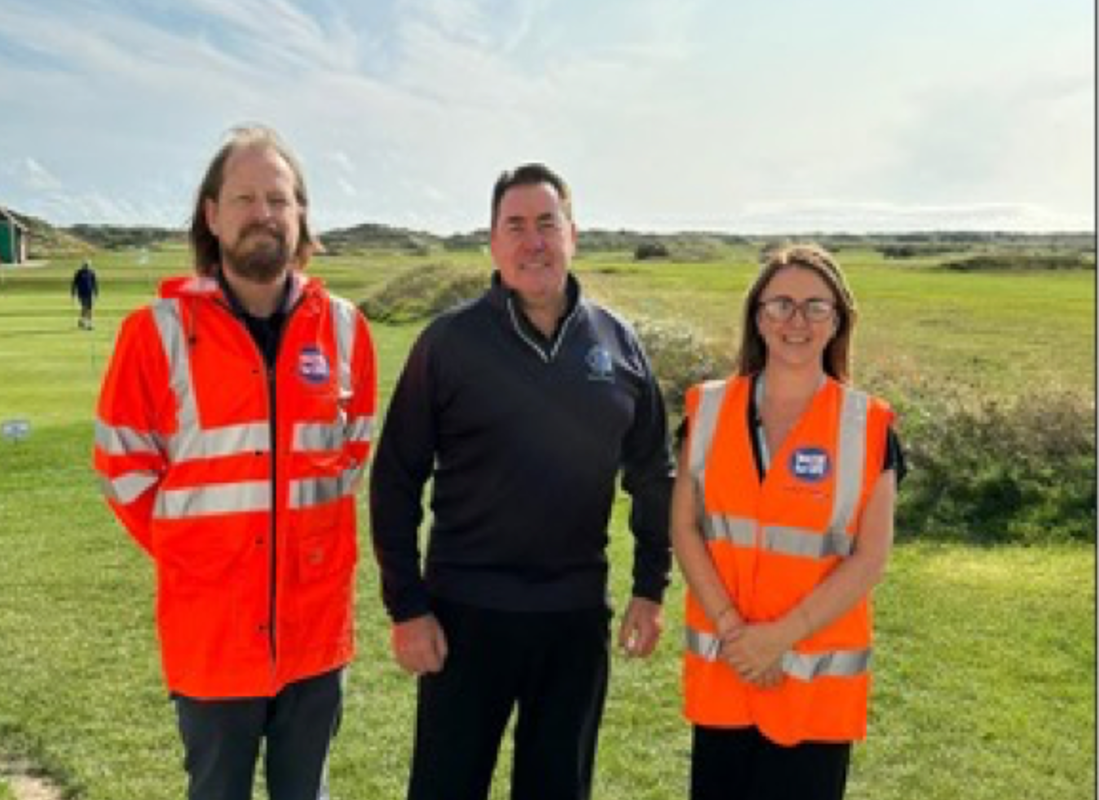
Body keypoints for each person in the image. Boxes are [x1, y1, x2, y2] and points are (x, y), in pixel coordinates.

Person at [369, 162, 674, 800]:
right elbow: (396, 477)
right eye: (516, 225)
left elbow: (652, 475)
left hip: (573, 620)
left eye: (547, 223)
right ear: (493, 241)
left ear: (573, 234)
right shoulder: (448, 342)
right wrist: (408, 606)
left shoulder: (618, 344)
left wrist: (650, 587)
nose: (532, 240)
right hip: (463, 617)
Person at [92, 124, 377, 800]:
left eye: (278, 199)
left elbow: (352, 453)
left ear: (300, 215)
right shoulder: (155, 332)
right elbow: (122, 469)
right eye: (244, 198)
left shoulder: (343, 328)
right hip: (212, 636)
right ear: (212, 216)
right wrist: (196, 552)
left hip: (314, 633)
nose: (263, 214)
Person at [671, 243, 906, 800]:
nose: (795, 321)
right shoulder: (705, 409)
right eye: (780, 304)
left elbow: (870, 559)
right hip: (726, 672)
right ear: (757, 316)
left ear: (839, 320)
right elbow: (685, 529)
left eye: (814, 307)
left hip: (813, 686)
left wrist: (778, 639)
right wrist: (736, 634)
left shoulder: (868, 425)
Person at [71, 259, 99, 329]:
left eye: (88, 265)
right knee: (84, 307)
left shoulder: (92, 273)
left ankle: (88, 324)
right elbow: (74, 283)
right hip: (81, 293)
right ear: (83, 265)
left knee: (89, 309)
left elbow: (94, 283)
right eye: (85, 264)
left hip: (89, 293)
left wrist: (96, 292)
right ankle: (84, 322)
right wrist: (73, 292)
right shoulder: (79, 273)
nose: (86, 266)